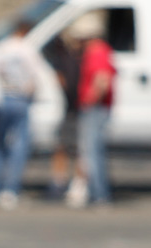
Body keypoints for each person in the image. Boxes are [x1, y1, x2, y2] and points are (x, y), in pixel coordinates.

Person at [0, 19, 46, 211]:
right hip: (21, 99)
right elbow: (34, 76)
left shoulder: (3, 47)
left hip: (5, 97)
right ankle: (10, 190)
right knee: (19, 146)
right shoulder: (27, 49)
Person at [66, 12, 115, 208]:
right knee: (92, 151)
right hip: (97, 108)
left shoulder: (97, 51)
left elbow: (102, 80)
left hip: (94, 108)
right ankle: (98, 192)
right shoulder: (100, 50)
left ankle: (99, 194)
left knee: (91, 152)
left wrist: (89, 100)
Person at [42, 34, 81, 200]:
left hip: (73, 109)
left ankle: (64, 184)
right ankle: (73, 185)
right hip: (75, 108)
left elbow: (63, 84)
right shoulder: (76, 59)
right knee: (72, 149)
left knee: (66, 148)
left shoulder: (63, 61)